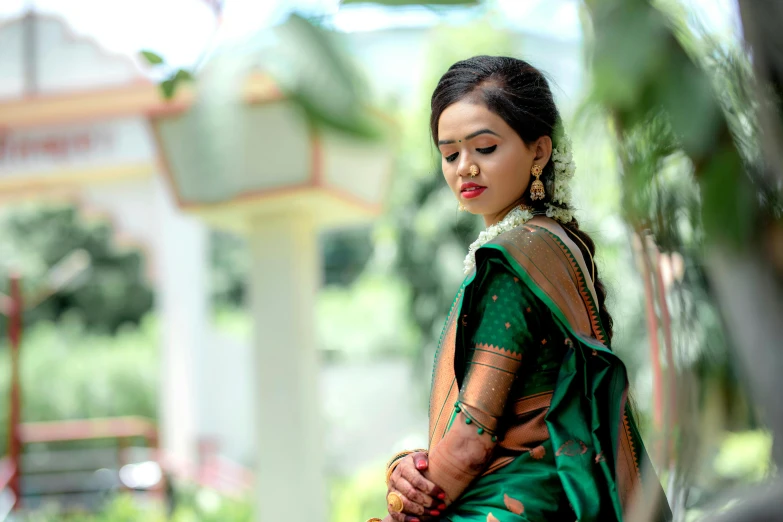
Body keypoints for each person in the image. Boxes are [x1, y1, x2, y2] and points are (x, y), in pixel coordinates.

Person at [367, 56, 672, 522]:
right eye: (450, 154)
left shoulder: (513, 262)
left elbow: (471, 442)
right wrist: (409, 467)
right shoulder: (561, 245)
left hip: (508, 505)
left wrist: (396, 511)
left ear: (539, 151)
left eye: (484, 147)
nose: (464, 168)